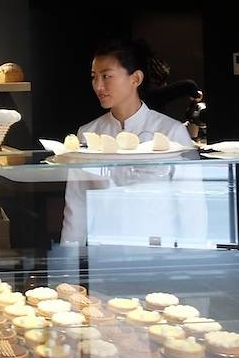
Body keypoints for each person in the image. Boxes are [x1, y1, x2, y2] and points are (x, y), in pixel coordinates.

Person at [60, 39, 206, 245]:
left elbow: (192, 206)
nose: (98, 85)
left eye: (107, 76)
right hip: (104, 253)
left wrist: (195, 262)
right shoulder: (87, 134)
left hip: (158, 255)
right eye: (94, 77)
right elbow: (76, 205)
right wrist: (68, 264)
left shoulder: (170, 131)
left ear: (135, 78)